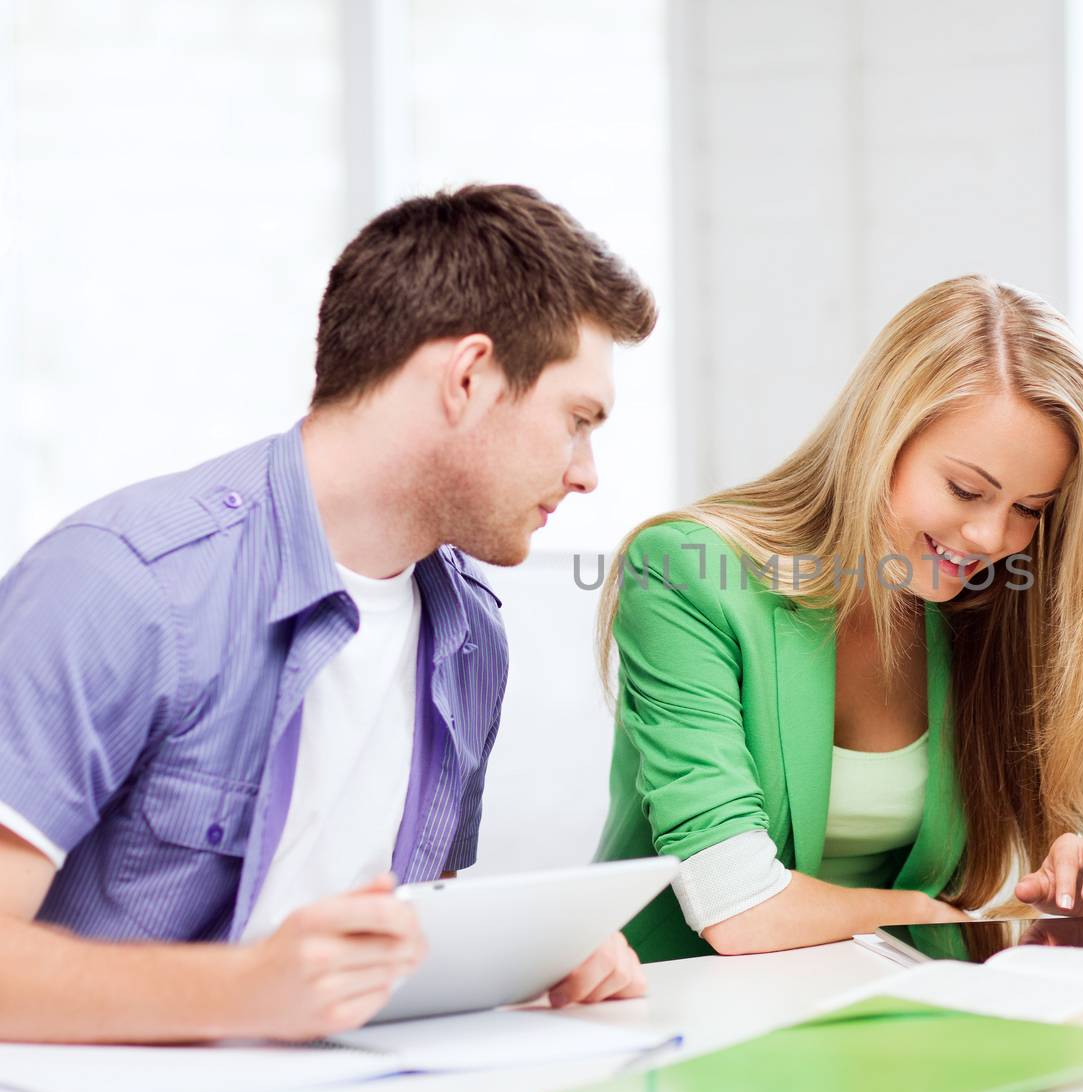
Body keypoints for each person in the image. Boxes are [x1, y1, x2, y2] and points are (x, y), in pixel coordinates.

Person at [0, 184, 657, 1043]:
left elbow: (408, 926)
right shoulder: (125, 586)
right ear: (467, 378)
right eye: (577, 420)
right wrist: (241, 991)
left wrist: (523, 957)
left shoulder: (469, 635)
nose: (587, 473)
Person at [595, 275, 1083, 963]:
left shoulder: (995, 603)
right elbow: (737, 904)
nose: (990, 537)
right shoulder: (686, 574)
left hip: (888, 1005)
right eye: (966, 489)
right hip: (675, 1006)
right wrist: (922, 913)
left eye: (1029, 508)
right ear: (883, 435)